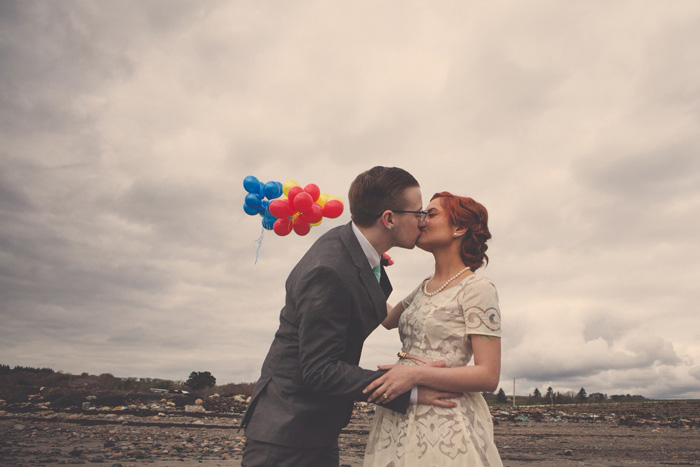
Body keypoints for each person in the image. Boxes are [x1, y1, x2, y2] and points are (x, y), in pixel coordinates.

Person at [240, 167, 460, 467]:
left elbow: (377, 312)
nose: (422, 220)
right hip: (287, 433)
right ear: (389, 218)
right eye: (418, 212)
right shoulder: (328, 270)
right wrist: (405, 386)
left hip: (315, 427)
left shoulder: (357, 252)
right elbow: (318, 370)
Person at [362, 192, 503, 466]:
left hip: (445, 418)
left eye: (432, 214)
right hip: (400, 407)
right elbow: (387, 318)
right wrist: (371, 264)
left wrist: (415, 375)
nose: (422, 220)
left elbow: (488, 375)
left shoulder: (478, 289)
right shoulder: (425, 285)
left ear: (459, 229)